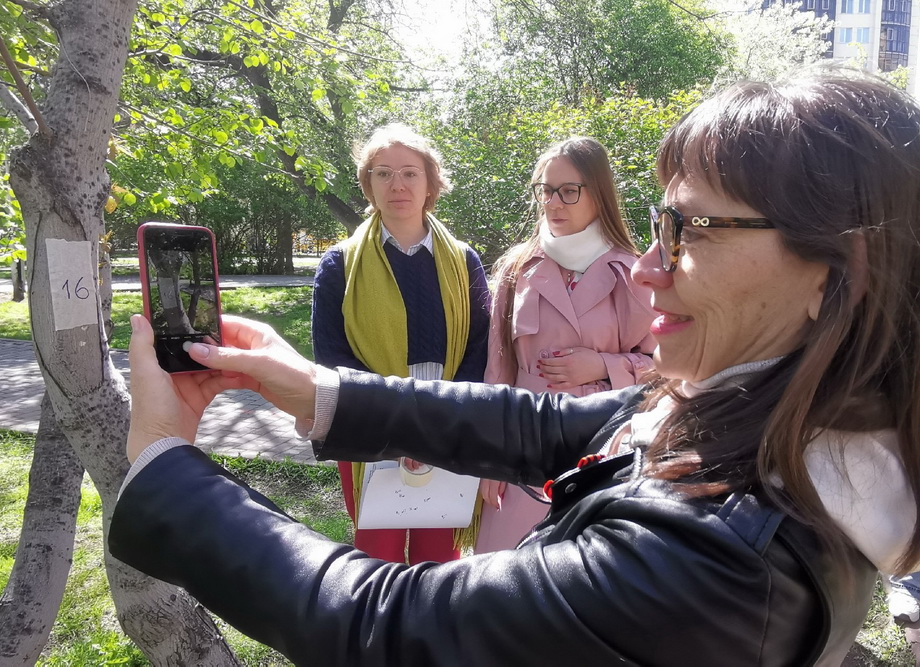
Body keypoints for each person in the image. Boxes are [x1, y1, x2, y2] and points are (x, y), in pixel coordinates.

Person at [110, 70, 920, 665]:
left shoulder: (715, 562)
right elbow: (534, 421)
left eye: (692, 230)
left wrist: (166, 466)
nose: (650, 268)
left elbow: (388, 626)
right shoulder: (759, 411)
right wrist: (309, 384)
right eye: (658, 224)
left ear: (837, 271)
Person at [311, 123, 490, 564]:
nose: (398, 185)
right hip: (369, 424)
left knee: (440, 561)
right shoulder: (339, 264)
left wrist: (441, 421)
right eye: (384, 173)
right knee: (378, 558)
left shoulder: (464, 261)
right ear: (368, 184)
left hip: (448, 421)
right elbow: (331, 357)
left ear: (430, 183)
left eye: (410, 173)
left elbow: (480, 347)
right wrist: (395, 427)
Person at [476, 137, 655, 553]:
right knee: (506, 570)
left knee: (584, 568)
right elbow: (497, 370)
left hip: (603, 442)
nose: (554, 203)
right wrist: (488, 458)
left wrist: (604, 365)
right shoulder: (518, 268)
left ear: (599, 193)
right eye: (545, 190)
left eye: (569, 191)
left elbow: (667, 369)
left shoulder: (633, 273)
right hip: (523, 442)